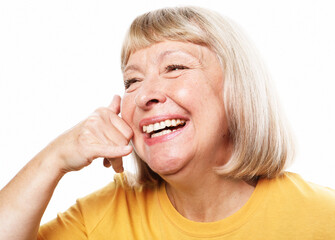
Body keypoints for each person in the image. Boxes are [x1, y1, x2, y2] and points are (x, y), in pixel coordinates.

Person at [1, 6, 335, 240]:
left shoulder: (324, 219)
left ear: (238, 90)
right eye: (132, 81)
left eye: (175, 67)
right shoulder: (107, 214)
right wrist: (55, 157)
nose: (145, 94)